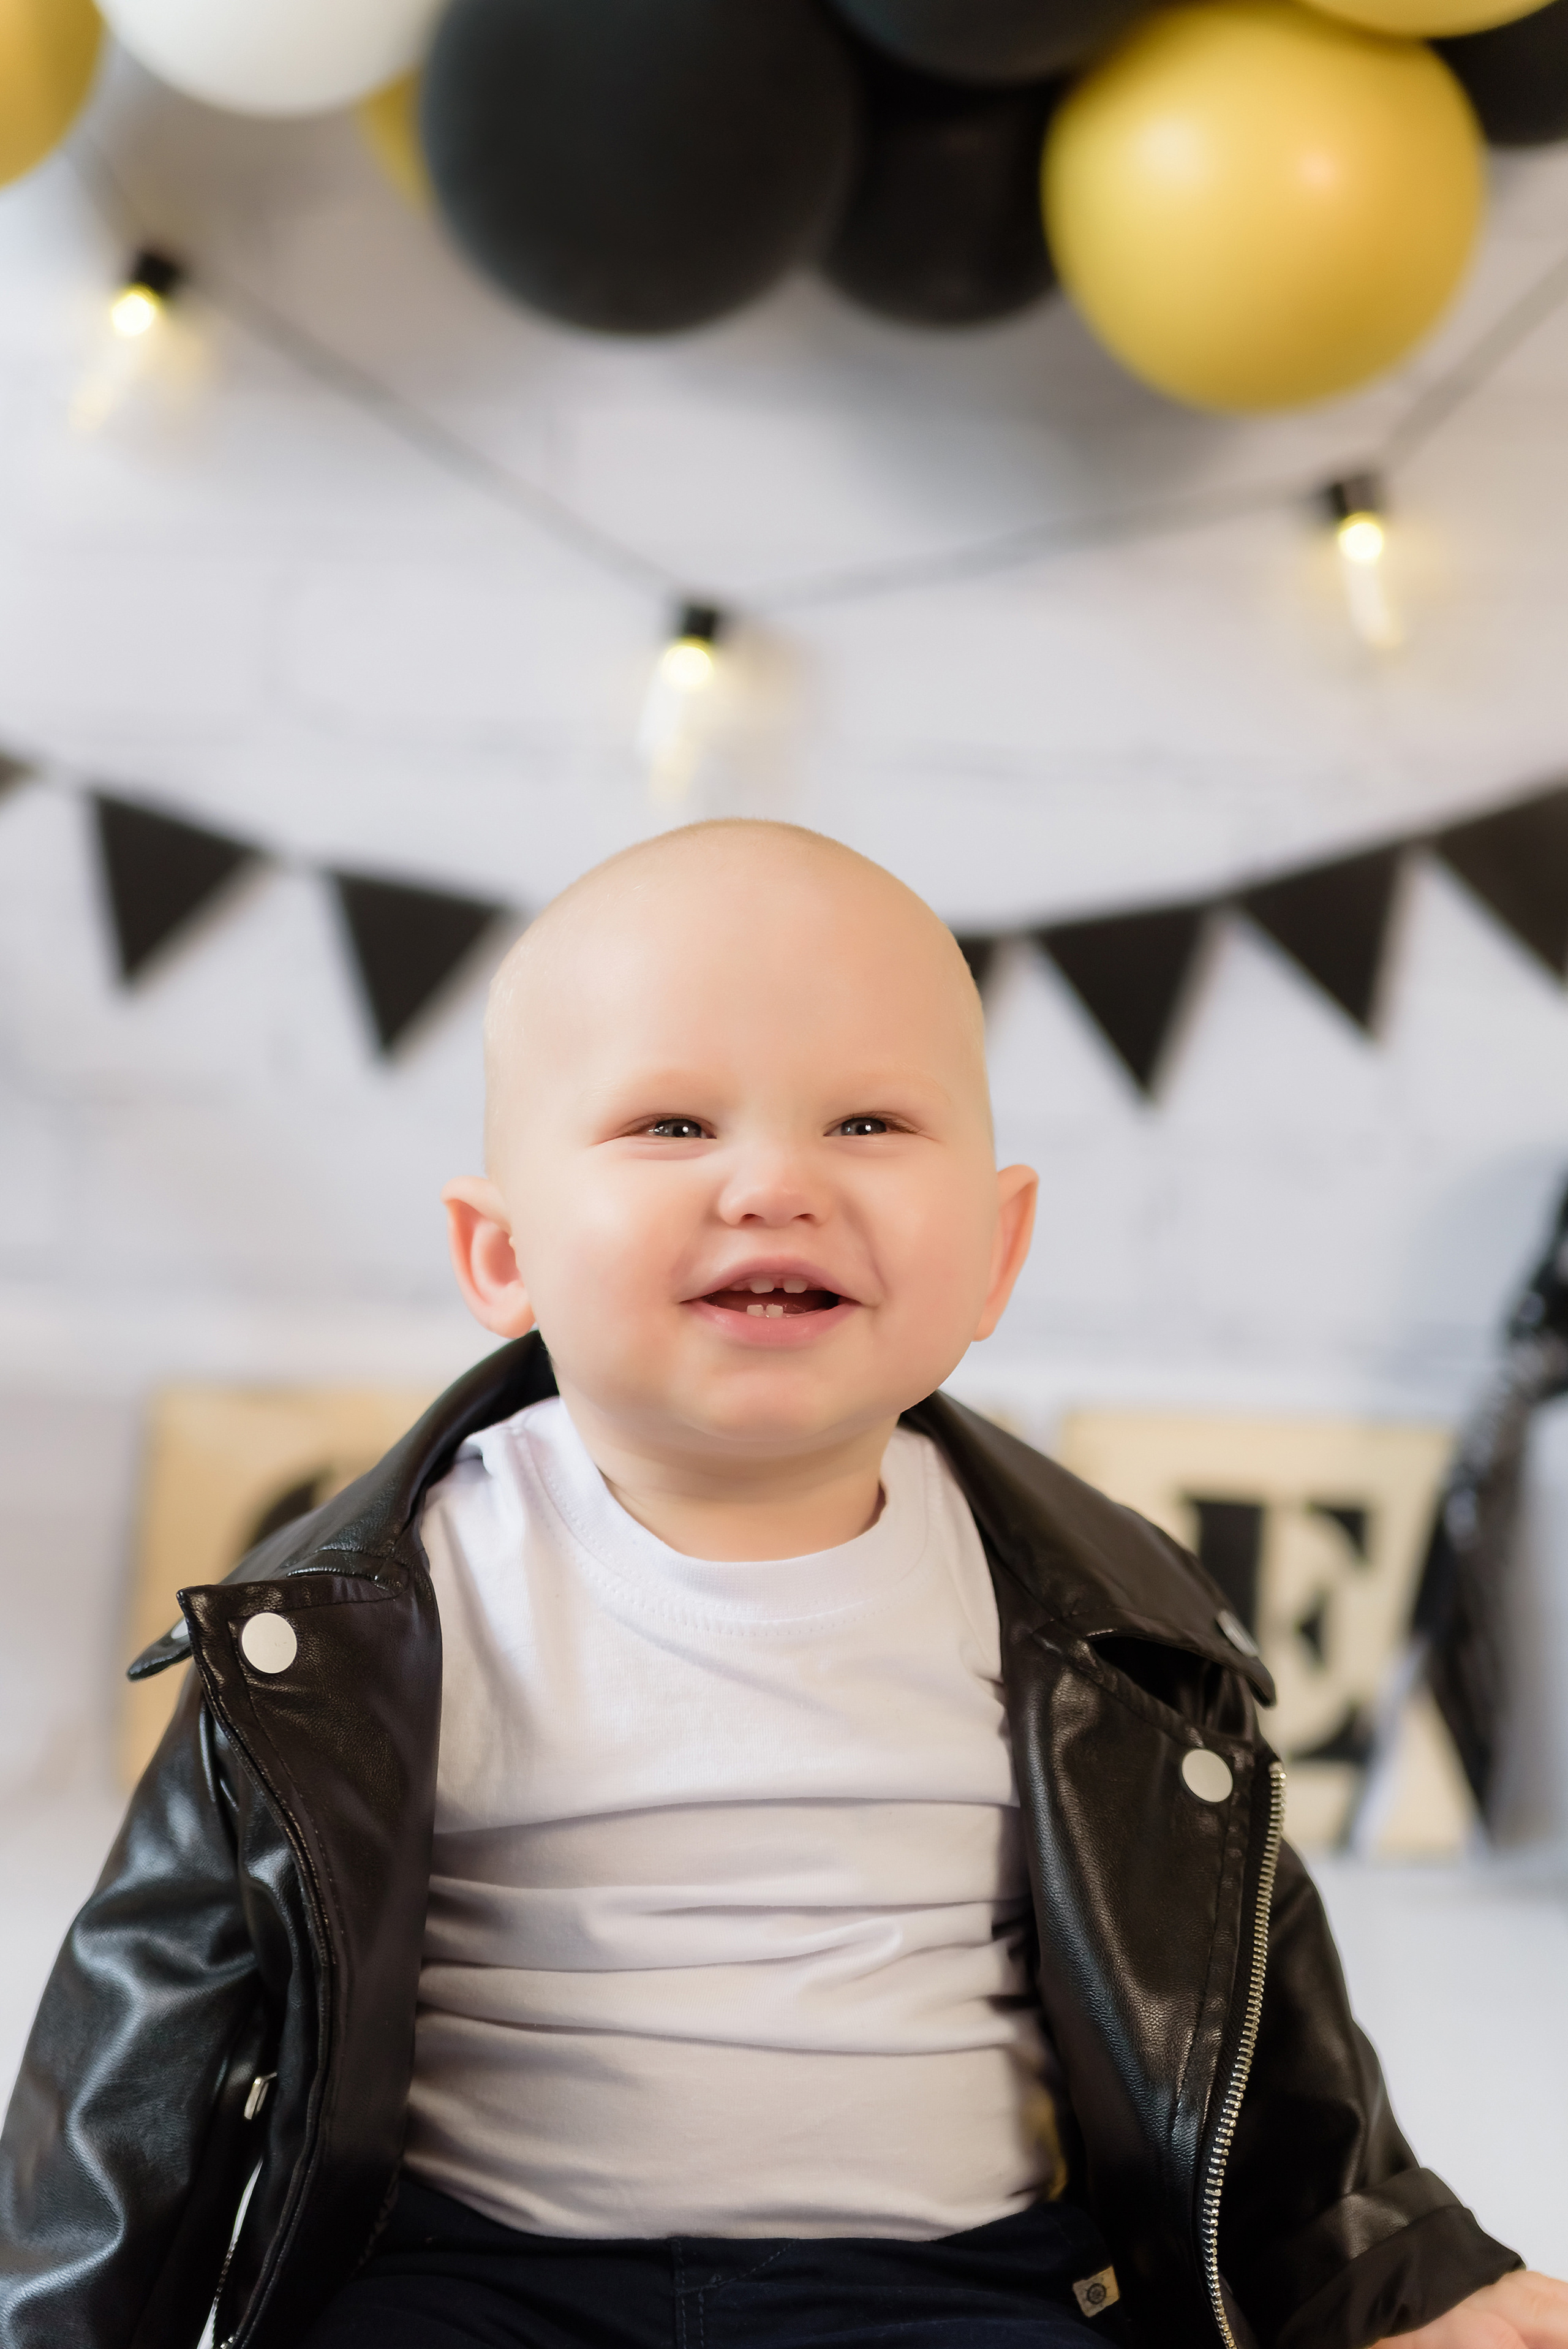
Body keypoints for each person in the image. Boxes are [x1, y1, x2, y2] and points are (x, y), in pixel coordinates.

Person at [1, 820, 1562, 2349]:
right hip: (478, 2278)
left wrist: (1394, 2273)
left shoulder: (1096, 1616)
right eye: (672, 1126)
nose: (772, 1183)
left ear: (997, 1250)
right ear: (501, 1256)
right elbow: (141, 2030)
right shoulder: (352, 1620)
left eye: (868, 1126)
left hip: (956, 2283)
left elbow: (1253, 2004)